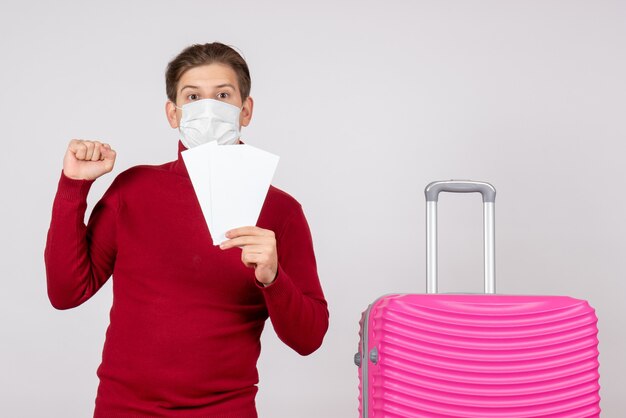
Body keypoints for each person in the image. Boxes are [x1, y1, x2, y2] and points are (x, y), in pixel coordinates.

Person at [44, 42, 329, 418]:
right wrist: (73, 186)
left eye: (222, 95)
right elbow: (66, 292)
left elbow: (308, 339)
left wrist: (273, 278)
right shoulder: (134, 189)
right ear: (173, 113)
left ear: (245, 110)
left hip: (225, 410)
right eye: (193, 96)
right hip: (123, 409)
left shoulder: (281, 210)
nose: (207, 108)